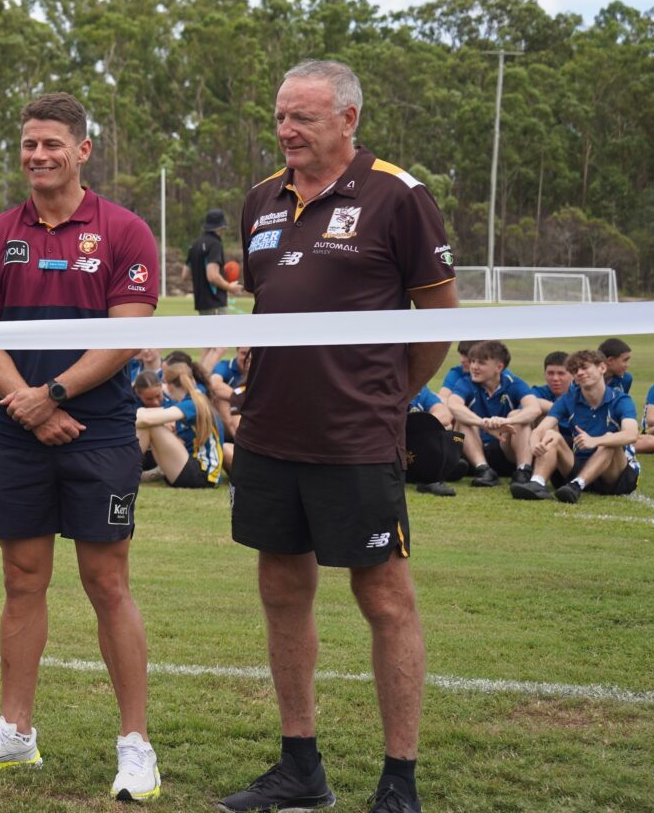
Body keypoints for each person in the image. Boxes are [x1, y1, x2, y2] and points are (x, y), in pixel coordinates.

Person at [221, 60, 456, 813]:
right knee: (282, 588)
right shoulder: (262, 199)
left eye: (305, 118)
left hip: (357, 439)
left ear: (348, 119)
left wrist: (389, 398)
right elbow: (272, 307)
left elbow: (442, 319)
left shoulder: (398, 194)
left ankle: (400, 778)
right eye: (282, 116)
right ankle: (300, 768)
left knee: (384, 598)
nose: (288, 130)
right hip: (269, 434)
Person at [0, 91, 162, 802]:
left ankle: (135, 746)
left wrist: (56, 396)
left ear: (83, 151)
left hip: (96, 430)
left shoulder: (126, 230)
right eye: (29, 144)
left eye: (52, 145)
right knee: (21, 580)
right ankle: (15, 732)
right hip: (16, 429)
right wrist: (29, 408)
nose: (38, 156)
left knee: (107, 584)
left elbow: (124, 332)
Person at [515, 349, 641, 503]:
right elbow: (540, 429)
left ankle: (577, 485)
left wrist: (595, 440)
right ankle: (537, 482)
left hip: (613, 476)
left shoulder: (621, 400)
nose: (579, 373)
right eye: (575, 370)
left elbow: (631, 435)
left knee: (609, 439)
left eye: (585, 367)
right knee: (551, 436)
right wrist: (535, 444)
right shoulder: (569, 399)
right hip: (577, 465)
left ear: (602, 368)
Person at [444, 340, 535, 487]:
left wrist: (507, 421)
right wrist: (483, 424)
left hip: (504, 448)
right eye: (473, 361)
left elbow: (534, 408)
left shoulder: (513, 382)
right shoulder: (465, 382)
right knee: (463, 419)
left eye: (481, 363)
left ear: (499, 367)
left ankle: (523, 471)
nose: (474, 367)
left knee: (518, 416)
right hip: (474, 449)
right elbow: (454, 405)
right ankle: (484, 470)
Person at [186, 208, 238, 315]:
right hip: (216, 305)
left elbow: (185, 274)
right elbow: (212, 276)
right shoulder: (215, 244)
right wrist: (230, 287)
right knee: (220, 332)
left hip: (201, 304)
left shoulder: (194, 245)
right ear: (221, 227)